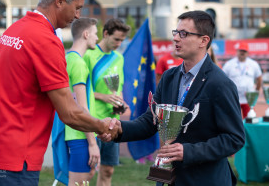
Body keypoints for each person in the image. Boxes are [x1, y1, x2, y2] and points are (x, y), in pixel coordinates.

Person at [0, 0, 119, 186]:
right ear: (60, 1)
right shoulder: (45, 40)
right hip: (15, 160)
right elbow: (69, 112)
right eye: (77, 7)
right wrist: (102, 127)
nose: (78, 15)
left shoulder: (14, 29)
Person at [101, 10, 245, 186]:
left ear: (204, 40)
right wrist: (119, 129)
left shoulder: (220, 84)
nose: (176, 38)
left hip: (205, 180)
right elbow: (151, 121)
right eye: (176, 33)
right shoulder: (169, 77)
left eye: (184, 34)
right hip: (169, 179)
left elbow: (234, 138)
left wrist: (188, 151)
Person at [83, 18, 130, 186]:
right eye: (116, 39)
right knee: (89, 171)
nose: (119, 43)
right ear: (105, 34)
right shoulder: (88, 54)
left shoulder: (119, 58)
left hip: (112, 122)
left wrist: (120, 104)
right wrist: (103, 97)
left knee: (108, 169)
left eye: (122, 40)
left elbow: (118, 88)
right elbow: (79, 90)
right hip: (92, 121)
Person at [65, 18, 100, 185]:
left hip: (74, 132)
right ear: (86, 34)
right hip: (80, 135)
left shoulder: (68, 58)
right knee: (78, 183)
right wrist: (92, 143)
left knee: (86, 176)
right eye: (95, 33)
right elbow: (82, 108)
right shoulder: (78, 63)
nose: (97, 38)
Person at [223, 42, 262, 118]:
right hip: (233, 98)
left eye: (244, 51)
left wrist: (256, 92)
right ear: (237, 51)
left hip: (248, 99)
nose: (242, 53)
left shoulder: (253, 64)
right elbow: (223, 79)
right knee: (233, 120)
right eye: (241, 50)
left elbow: (259, 78)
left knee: (249, 119)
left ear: (248, 53)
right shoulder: (229, 64)